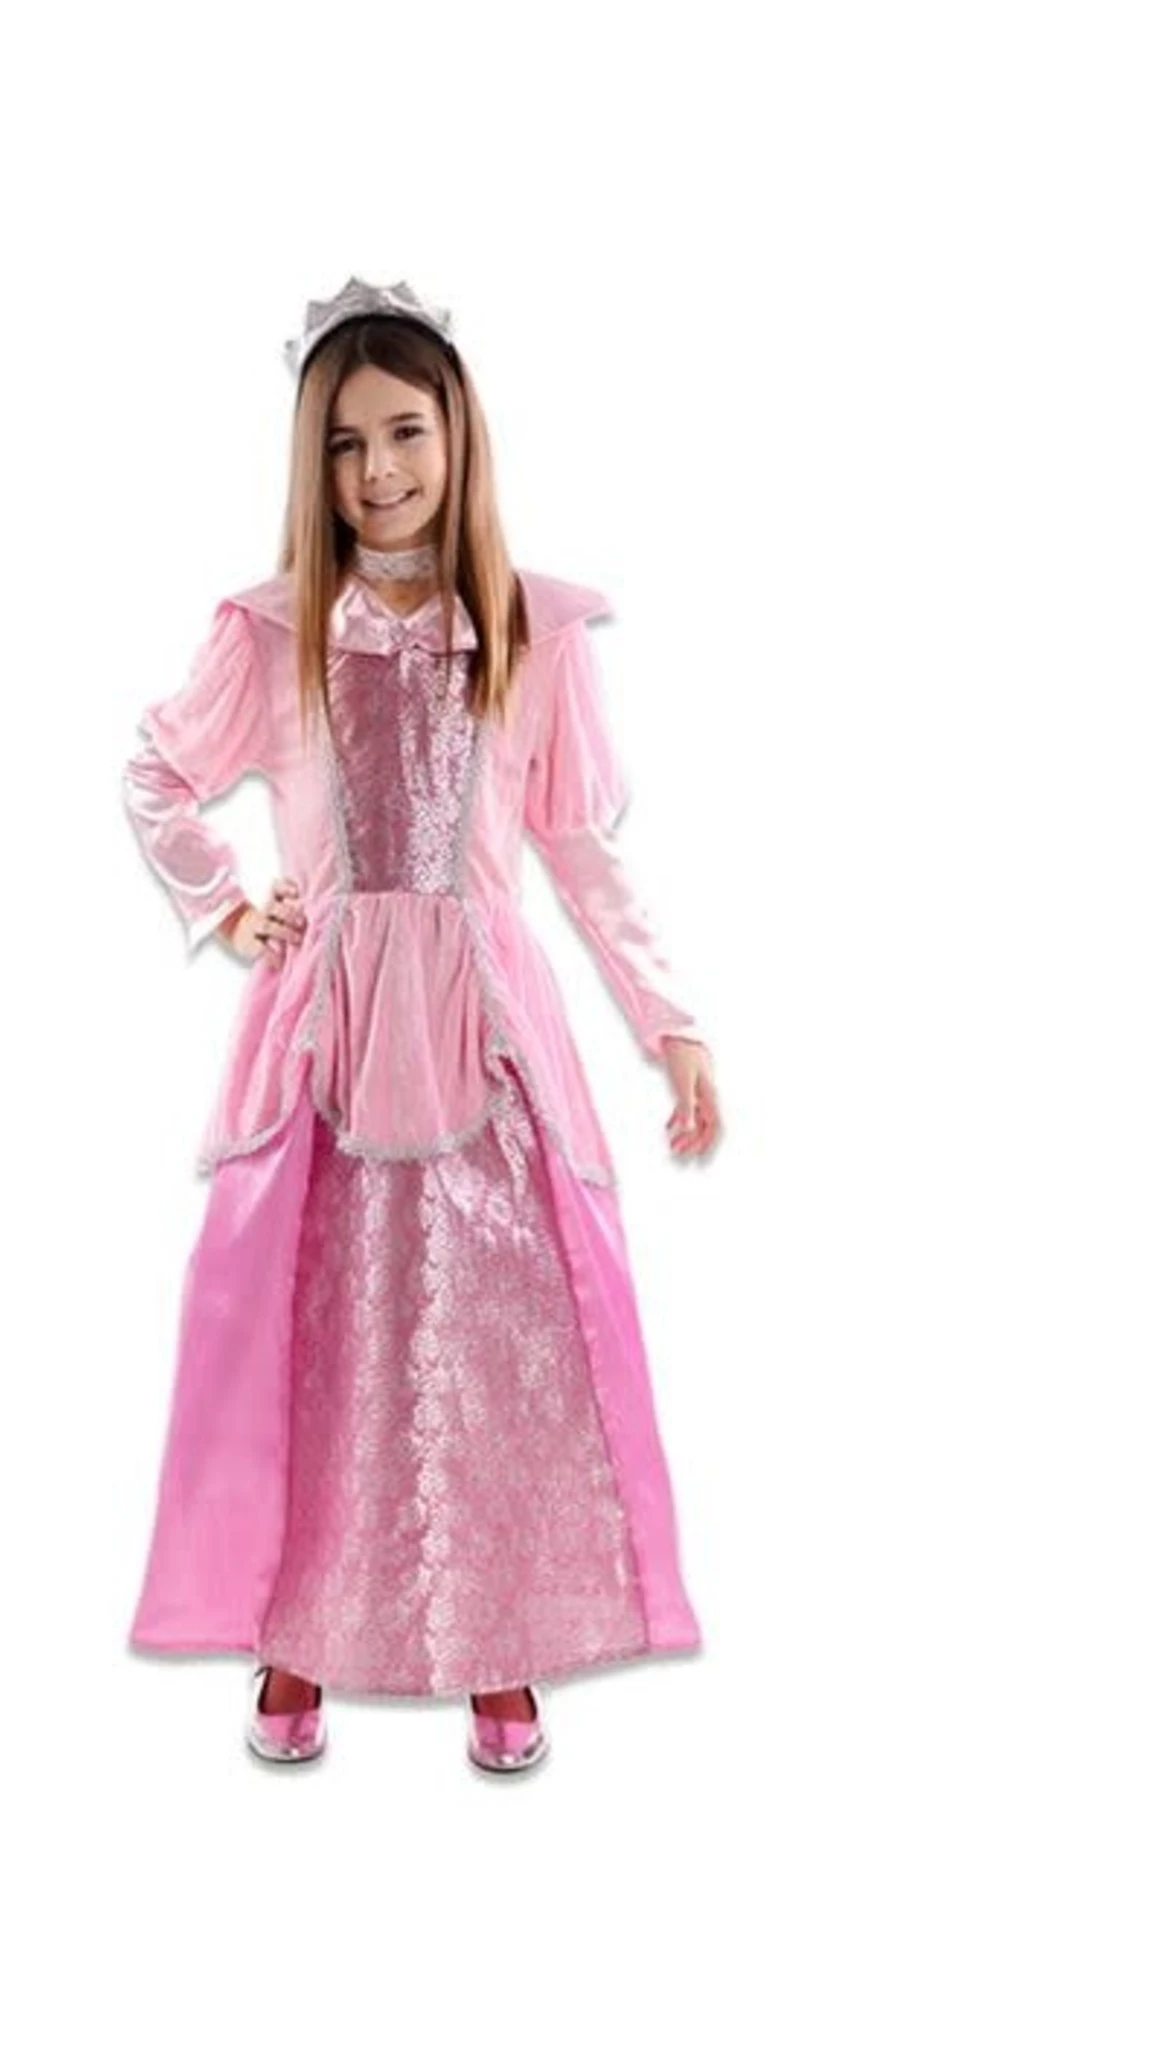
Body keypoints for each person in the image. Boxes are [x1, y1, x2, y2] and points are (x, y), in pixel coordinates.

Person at [120, 276, 722, 1775]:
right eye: (343, 443)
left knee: (497, 1330)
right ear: (310, 463)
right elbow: (157, 773)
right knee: (314, 1333)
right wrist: (226, 908)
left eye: (404, 432)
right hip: (326, 1039)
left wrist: (669, 1022)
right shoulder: (275, 633)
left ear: (458, 433)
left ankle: (498, 1638)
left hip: (485, 1038)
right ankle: (297, 1631)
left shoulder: (524, 630)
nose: (378, 468)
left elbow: (578, 851)